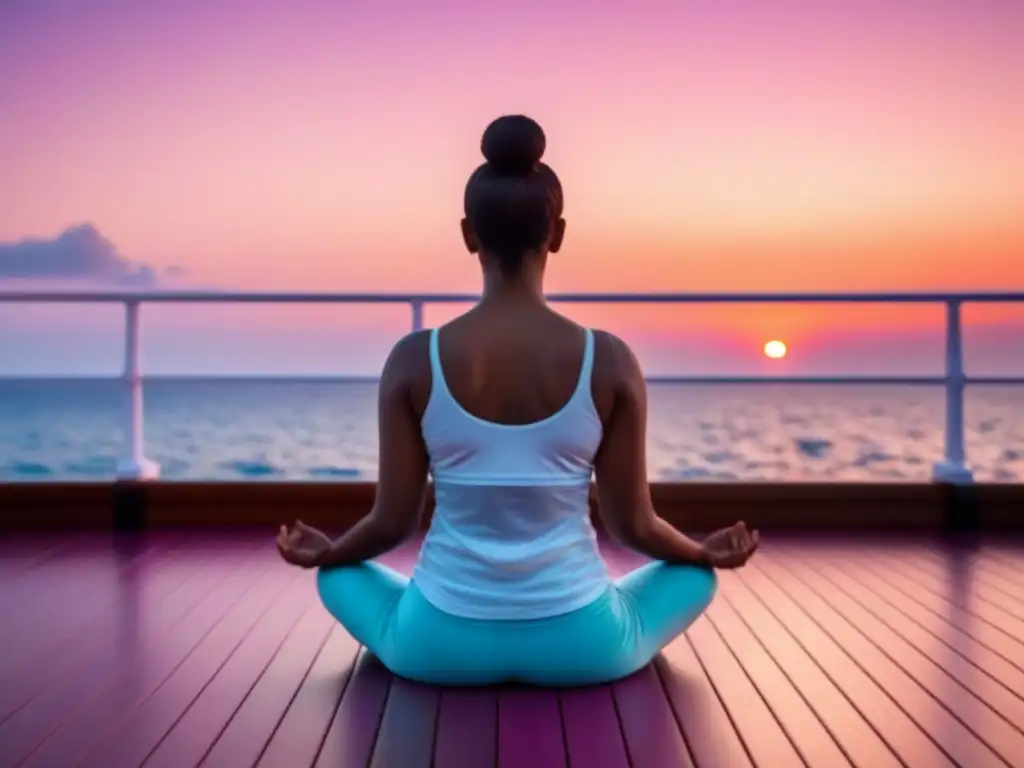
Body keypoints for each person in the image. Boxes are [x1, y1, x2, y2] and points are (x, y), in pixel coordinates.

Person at [276, 115, 759, 686]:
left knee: (338, 576)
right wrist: (704, 551)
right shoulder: (608, 359)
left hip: (436, 647)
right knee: (695, 577)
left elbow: (391, 524)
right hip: (584, 647)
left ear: (468, 234)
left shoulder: (413, 359)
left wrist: (328, 553)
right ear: (556, 233)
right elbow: (634, 526)